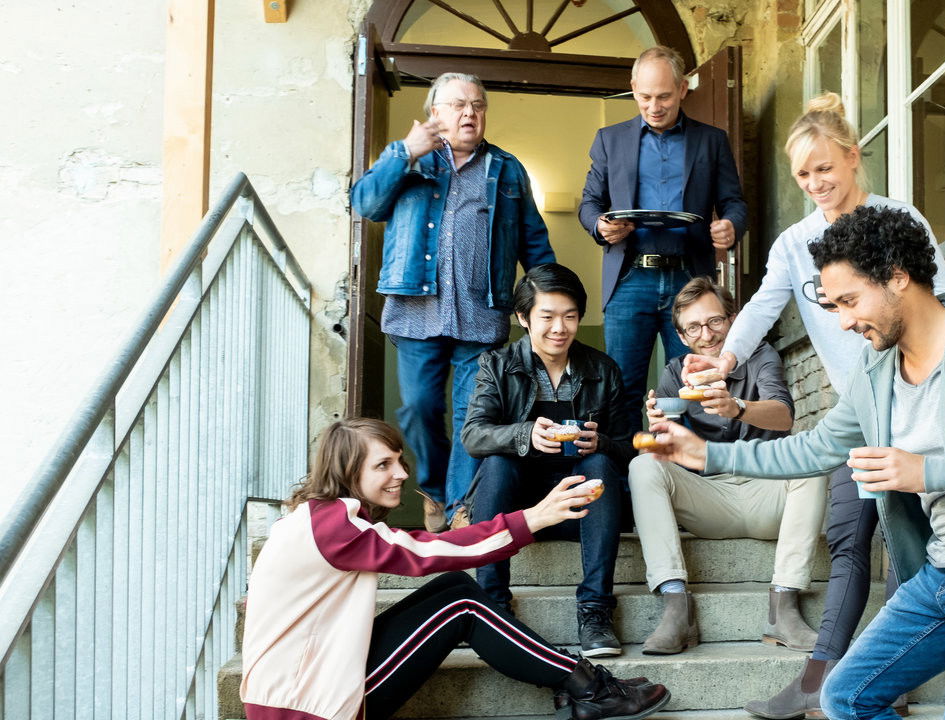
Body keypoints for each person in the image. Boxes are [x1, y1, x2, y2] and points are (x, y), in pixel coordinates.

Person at [649, 205, 945, 720]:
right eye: (833, 305)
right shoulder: (878, 365)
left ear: (898, 277)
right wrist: (705, 453)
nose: (843, 322)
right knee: (845, 697)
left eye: (849, 301)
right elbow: (815, 448)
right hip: (942, 569)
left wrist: (924, 471)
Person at [683, 93, 945, 719]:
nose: (815, 184)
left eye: (824, 168)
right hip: (855, 413)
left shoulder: (898, 220)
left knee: (904, 539)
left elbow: (943, 303)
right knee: (848, 536)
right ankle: (817, 678)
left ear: (854, 157)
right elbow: (762, 306)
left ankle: (893, 676)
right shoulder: (795, 241)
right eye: (803, 174)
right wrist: (725, 360)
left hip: (915, 407)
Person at [238, 417, 670, 720]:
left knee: (455, 588)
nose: (401, 473)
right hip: (307, 704)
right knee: (462, 604)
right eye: (383, 465)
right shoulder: (333, 526)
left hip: (308, 684)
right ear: (348, 472)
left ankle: (580, 684)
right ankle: (588, 687)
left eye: (399, 460)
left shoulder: (320, 518)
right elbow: (429, 551)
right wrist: (533, 517)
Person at [350, 72, 554, 532]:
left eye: (478, 105)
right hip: (415, 311)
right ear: (434, 113)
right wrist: (405, 152)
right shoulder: (408, 158)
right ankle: (436, 491)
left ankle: (461, 506)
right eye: (459, 105)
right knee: (419, 409)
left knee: (472, 415)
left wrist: (545, 298)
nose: (470, 113)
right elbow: (365, 204)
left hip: (482, 313)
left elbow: (534, 241)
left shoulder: (507, 168)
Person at [629, 277, 827, 656]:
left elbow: (784, 415)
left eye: (715, 321)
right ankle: (676, 607)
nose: (707, 335)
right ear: (682, 336)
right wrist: (657, 424)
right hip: (711, 500)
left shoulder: (761, 356)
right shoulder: (675, 372)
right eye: (694, 328)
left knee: (812, 462)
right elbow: (666, 446)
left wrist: (738, 407)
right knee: (644, 464)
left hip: (768, 494)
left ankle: (784, 608)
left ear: (733, 320)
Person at [462, 263, 632, 658]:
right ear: (524, 318)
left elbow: (629, 449)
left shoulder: (602, 369)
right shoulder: (497, 365)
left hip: (582, 512)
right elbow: (473, 435)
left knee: (599, 465)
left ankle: (595, 610)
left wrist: (601, 442)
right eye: (548, 317)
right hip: (517, 510)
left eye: (570, 317)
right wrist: (524, 434)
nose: (560, 328)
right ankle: (492, 606)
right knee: (498, 464)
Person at [579, 45, 748, 435]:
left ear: (683, 89)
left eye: (664, 97)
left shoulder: (711, 140)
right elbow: (590, 204)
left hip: (689, 278)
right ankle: (626, 472)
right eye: (645, 97)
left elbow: (734, 203)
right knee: (621, 391)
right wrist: (601, 226)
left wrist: (731, 226)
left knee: (693, 385)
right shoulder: (609, 139)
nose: (653, 107)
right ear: (633, 87)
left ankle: (690, 468)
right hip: (629, 278)